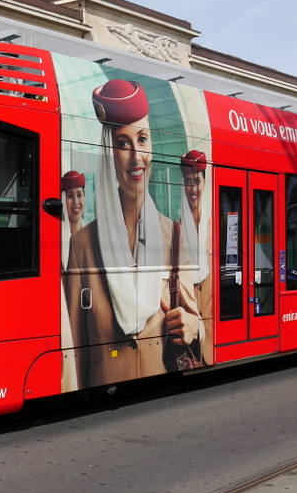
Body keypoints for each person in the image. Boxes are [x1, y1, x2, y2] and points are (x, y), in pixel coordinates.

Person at [64, 79, 199, 388]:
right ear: (108, 154)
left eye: (142, 139)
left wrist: (193, 327)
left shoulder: (175, 237)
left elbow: (196, 324)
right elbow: (74, 351)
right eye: (123, 143)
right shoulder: (81, 245)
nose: (136, 157)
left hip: (162, 392)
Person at [177, 149, 212, 366]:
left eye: (197, 181)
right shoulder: (176, 230)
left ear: (204, 183)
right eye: (188, 182)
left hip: (211, 323)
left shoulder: (214, 227)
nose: (193, 188)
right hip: (189, 330)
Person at [61, 170, 86, 268]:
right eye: (70, 196)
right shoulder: (56, 239)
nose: (76, 202)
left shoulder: (92, 237)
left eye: (79, 195)